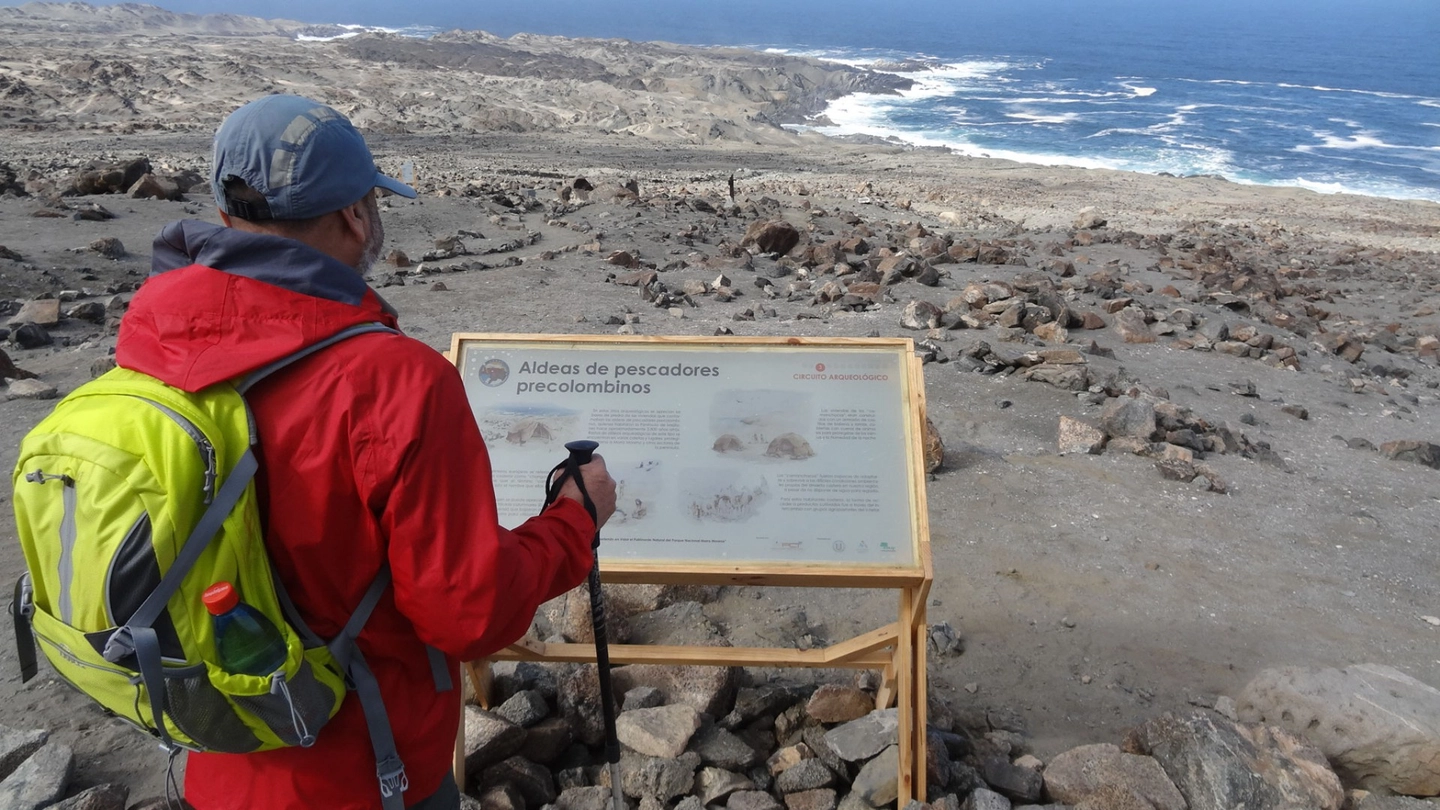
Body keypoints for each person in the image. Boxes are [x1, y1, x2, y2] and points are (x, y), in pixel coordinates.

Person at [115, 94, 617, 810]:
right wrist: (576, 522)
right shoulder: (393, 382)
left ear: (228, 212)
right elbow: (467, 613)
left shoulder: (150, 337)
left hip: (215, 748)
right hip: (363, 770)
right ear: (357, 215)